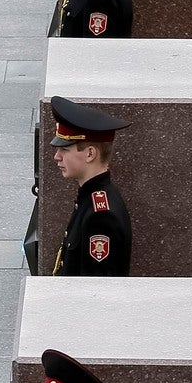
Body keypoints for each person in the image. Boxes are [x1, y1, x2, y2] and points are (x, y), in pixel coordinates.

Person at [49, 97, 132, 276]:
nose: (57, 156)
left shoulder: (101, 216)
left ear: (90, 154)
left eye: (65, 149)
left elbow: (95, 289)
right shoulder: (91, 199)